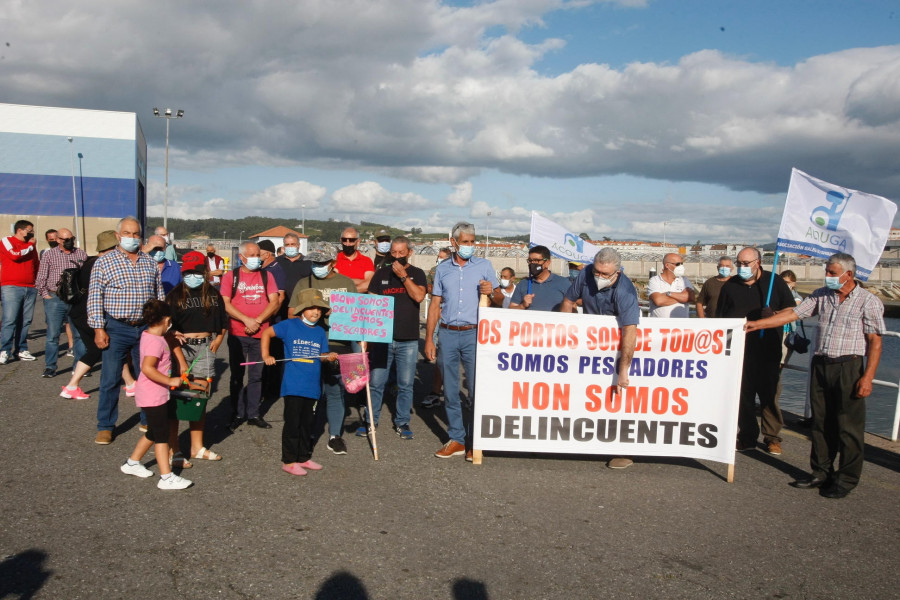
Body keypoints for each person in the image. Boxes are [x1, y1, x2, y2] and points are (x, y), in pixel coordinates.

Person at [745, 253, 884, 499]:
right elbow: (795, 314)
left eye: (832, 273)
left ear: (848, 274)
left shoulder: (868, 301)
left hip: (849, 366)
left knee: (848, 427)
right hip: (821, 365)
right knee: (820, 423)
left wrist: (867, 377)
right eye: (827, 272)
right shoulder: (821, 295)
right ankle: (821, 472)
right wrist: (760, 324)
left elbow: (875, 342)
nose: (827, 276)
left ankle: (846, 479)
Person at [424, 222, 501, 460]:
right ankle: (457, 438)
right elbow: (435, 305)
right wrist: (429, 339)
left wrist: (491, 291)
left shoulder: (484, 266)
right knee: (450, 389)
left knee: (476, 389)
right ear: (454, 242)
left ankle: (475, 441)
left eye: (472, 241)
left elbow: (499, 298)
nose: (469, 246)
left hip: (474, 333)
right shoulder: (443, 270)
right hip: (447, 332)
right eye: (465, 241)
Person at [560, 248, 641, 469]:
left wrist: (624, 368)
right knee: (584, 392)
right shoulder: (586, 274)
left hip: (617, 345)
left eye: (606, 274)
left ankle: (622, 450)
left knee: (616, 397)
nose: (599, 277)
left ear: (618, 271)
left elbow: (630, 331)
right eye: (597, 271)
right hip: (588, 344)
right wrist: (563, 336)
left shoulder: (625, 291)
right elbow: (568, 302)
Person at [88, 217, 164, 444]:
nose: (132, 238)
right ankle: (106, 425)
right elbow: (94, 297)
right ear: (118, 235)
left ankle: (147, 419)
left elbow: (158, 295)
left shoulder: (149, 262)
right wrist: (98, 328)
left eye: (136, 234)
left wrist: (161, 326)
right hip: (117, 327)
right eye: (128, 233)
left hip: (145, 328)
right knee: (110, 378)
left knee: (148, 376)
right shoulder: (104, 262)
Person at [716, 247, 795, 455]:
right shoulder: (730, 286)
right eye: (739, 263)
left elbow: (792, 310)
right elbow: (720, 319)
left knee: (769, 395)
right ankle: (747, 436)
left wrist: (771, 316)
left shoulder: (774, 282)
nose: (741, 267)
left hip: (768, 350)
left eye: (746, 263)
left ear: (758, 262)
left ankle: (772, 437)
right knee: (743, 396)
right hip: (740, 351)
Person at [287, 245, 357, 455]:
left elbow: (356, 314)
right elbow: (291, 313)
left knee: (336, 391)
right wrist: (314, 312)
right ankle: (307, 432)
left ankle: (335, 435)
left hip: (339, 344)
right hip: (311, 344)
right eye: (314, 262)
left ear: (333, 263)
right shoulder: (303, 283)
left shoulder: (346, 283)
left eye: (321, 263)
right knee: (310, 392)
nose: (316, 266)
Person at [262, 288, 338, 476]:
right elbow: (267, 333)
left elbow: (321, 355)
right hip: (293, 385)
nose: (316, 312)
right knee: (292, 423)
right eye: (312, 308)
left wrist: (328, 357)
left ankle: (303, 457)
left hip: (313, 386)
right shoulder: (289, 325)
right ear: (302, 309)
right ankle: (289, 460)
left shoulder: (320, 331)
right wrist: (266, 355)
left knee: (307, 424)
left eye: (319, 309)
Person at [119, 299, 193, 490]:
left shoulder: (151, 335)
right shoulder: (155, 342)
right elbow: (147, 368)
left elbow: (167, 338)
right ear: (166, 319)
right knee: (162, 436)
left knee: (153, 431)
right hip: (153, 395)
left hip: (155, 393)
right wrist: (170, 381)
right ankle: (166, 477)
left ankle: (132, 463)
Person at [362, 236, 427, 440]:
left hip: (407, 339)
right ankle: (371, 420)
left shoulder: (417, 274)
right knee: (376, 382)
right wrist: (366, 336)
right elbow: (371, 304)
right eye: (394, 252)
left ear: (409, 252)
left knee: (405, 384)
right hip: (382, 338)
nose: (397, 256)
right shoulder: (381, 273)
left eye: (401, 252)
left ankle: (402, 421)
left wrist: (404, 277)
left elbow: (418, 297)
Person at [166, 250, 227, 461]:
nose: (193, 276)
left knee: (199, 398)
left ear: (205, 271)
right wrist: (179, 356)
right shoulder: (174, 295)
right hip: (180, 348)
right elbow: (166, 329)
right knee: (176, 398)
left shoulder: (212, 293)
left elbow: (222, 322)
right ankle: (174, 449)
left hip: (205, 347)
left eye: (197, 271)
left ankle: (197, 447)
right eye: (188, 272)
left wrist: (218, 340)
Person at [221, 241, 280, 431]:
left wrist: (258, 320)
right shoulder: (231, 276)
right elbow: (226, 303)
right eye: (253, 255)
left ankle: (253, 413)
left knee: (257, 375)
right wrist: (246, 320)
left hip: (260, 335)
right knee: (237, 376)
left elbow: (274, 301)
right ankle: (237, 412)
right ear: (242, 257)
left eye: (259, 255)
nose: (257, 259)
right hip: (238, 334)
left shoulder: (267, 275)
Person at [60, 230, 118, 400]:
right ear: (114, 247)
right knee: (104, 347)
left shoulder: (90, 261)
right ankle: (72, 385)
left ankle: (129, 383)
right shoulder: (101, 264)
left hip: (78, 312)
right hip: (88, 314)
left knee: (100, 348)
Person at [35, 227, 88, 377]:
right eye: (66, 239)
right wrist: (46, 295)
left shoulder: (81, 254)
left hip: (75, 300)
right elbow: (40, 279)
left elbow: (85, 277)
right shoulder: (49, 255)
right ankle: (50, 367)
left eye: (71, 238)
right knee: (53, 335)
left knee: (79, 335)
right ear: (57, 240)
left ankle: (79, 367)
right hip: (55, 299)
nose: (69, 242)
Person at [0, 219, 40, 364]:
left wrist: (37, 283)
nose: (32, 233)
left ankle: (21, 349)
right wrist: (30, 246)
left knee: (25, 321)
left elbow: (36, 264)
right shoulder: (7, 241)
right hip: (11, 286)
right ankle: (4, 350)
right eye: (29, 230)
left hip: (30, 287)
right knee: (10, 320)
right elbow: (15, 255)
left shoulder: (31, 246)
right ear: (20, 230)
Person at [258, 239, 287, 402]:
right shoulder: (265, 268)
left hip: (273, 320)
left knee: (273, 355)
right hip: (266, 318)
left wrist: (268, 317)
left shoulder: (276, 270)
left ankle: (271, 390)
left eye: (259, 253)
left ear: (267, 254)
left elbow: (280, 297)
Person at [422, 247, 451, 409]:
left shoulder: (454, 270)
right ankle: (435, 391)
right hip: (436, 306)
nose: (438, 259)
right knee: (437, 343)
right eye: (438, 257)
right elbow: (429, 287)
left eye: (442, 257)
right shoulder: (434, 271)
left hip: (449, 311)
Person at [509, 245, 571, 312]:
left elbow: (573, 308)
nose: (532, 264)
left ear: (547, 263)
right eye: (530, 261)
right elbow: (511, 310)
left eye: (536, 260)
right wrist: (522, 306)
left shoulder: (563, 283)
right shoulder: (523, 284)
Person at [647, 253, 695, 318]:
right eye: (678, 264)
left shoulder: (684, 280)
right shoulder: (655, 280)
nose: (681, 266)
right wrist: (682, 297)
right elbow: (658, 301)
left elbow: (691, 297)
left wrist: (669, 294)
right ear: (667, 265)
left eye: (682, 264)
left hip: (681, 326)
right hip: (660, 326)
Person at [333, 227, 375, 293]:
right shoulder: (333, 260)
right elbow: (332, 284)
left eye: (351, 240)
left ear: (358, 242)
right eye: (344, 240)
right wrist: (359, 281)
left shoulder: (366, 261)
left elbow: (368, 285)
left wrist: (343, 289)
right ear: (341, 241)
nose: (347, 243)